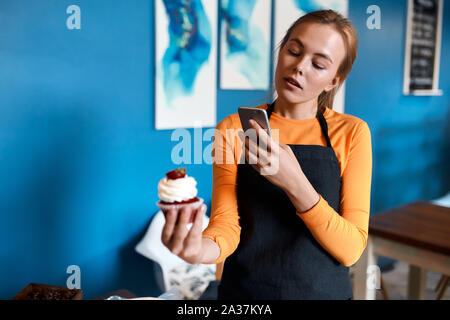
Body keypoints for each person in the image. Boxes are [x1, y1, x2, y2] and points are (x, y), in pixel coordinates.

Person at [161, 9, 372, 300]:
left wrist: (294, 181)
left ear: (334, 80)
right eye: (294, 51)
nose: (299, 67)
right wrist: (198, 250)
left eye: (318, 64)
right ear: (281, 50)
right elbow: (226, 225)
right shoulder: (234, 127)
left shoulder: (352, 133)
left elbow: (351, 251)